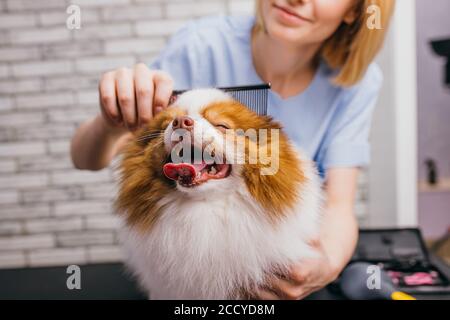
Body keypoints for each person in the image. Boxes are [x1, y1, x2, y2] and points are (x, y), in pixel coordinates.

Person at [71, 0, 395, 299]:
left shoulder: (357, 84)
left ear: (356, 10)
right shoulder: (201, 46)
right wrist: (111, 121)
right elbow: (86, 158)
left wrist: (327, 263)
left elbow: (339, 204)